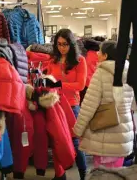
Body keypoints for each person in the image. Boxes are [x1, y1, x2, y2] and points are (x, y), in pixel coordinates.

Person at [74, 41, 135, 169]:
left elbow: (88, 106)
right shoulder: (130, 73)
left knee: (102, 174)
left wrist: (78, 129)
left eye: (100, 51)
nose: (97, 54)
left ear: (106, 56)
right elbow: (133, 105)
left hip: (104, 134)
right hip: (123, 132)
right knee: (117, 173)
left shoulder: (101, 73)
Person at [44, 29, 87, 180]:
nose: (62, 47)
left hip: (72, 105)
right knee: (57, 140)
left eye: (65, 44)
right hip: (55, 105)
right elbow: (48, 79)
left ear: (71, 44)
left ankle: (83, 174)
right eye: (59, 44)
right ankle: (60, 175)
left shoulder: (80, 61)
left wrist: (60, 84)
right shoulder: (52, 61)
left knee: (75, 142)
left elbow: (80, 85)